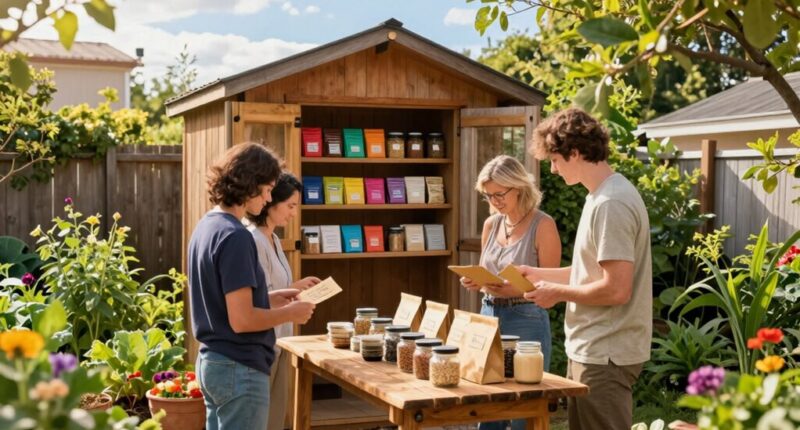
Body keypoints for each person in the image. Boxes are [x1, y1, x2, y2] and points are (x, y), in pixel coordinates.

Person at [521, 108, 652, 430]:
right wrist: (537, 275)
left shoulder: (611, 204)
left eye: (554, 160)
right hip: (593, 349)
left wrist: (557, 294)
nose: (552, 169)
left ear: (575, 153)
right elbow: (588, 272)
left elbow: (616, 289)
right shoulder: (600, 197)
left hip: (605, 352)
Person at [188, 142, 316, 430]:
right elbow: (242, 320)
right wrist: (292, 313)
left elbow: (224, 303)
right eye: (268, 188)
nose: (269, 197)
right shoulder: (236, 236)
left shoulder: (206, 227)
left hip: (213, 362)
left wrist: (271, 298)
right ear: (250, 184)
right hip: (239, 368)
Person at [459, 155, 561, 430]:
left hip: (526, 316)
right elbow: (484, 270)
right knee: (488, 402)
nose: (494, 202)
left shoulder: (543, 225)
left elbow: (549, 284)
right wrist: (474, 281)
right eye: (489, 196)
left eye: (499, 194)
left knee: (524, 406)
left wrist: (506, 288)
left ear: (518, 187)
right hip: (488, 314)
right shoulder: (491, 225)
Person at [246, 172, 321, 430]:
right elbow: (259, 297)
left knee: (276, 418)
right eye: (290, 206)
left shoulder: (275, 239)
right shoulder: (253, 240)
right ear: (270, 202)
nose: (293, 213)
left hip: (281, 341)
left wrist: (298, 287)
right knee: (263, 420)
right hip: (264, 345)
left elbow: (277, 289)